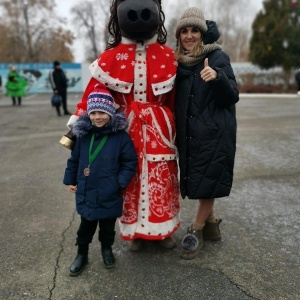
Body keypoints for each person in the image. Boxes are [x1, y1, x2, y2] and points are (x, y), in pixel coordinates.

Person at [65, 0, 180, 251]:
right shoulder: (111, 57)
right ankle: (135, 231)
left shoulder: (168, 56)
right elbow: (94, 93)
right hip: (123, 130)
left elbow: (176, 99)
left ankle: (163, 229)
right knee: (128, 178)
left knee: (162, 178)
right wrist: (76, 129)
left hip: (160, 129)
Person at [174, 7, 239, 260]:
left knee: (208, 182)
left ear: (203, 33)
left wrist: (218, 77)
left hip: (214, 134)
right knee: (203, 180)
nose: (189, 36)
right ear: (179, 35)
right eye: (184, 31)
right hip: (190, 134)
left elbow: (232, 95)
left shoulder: (217, 57)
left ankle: (196, 230)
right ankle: (211, 227)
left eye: (194, 31)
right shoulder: (178, 62)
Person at [63, 83, 137, 276]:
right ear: (88, 114)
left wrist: (118, 183)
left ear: (110, 114)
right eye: (93, 113)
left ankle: (107, 250)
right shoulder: (83, 136)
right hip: (87, 189)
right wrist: (70, 179)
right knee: (85, 227)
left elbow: (130, 162)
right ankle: (82, 254)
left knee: (107, 227)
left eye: (102, 113)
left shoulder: (120, 138)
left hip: (109, 192)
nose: (98, 117)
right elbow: (75, 159)